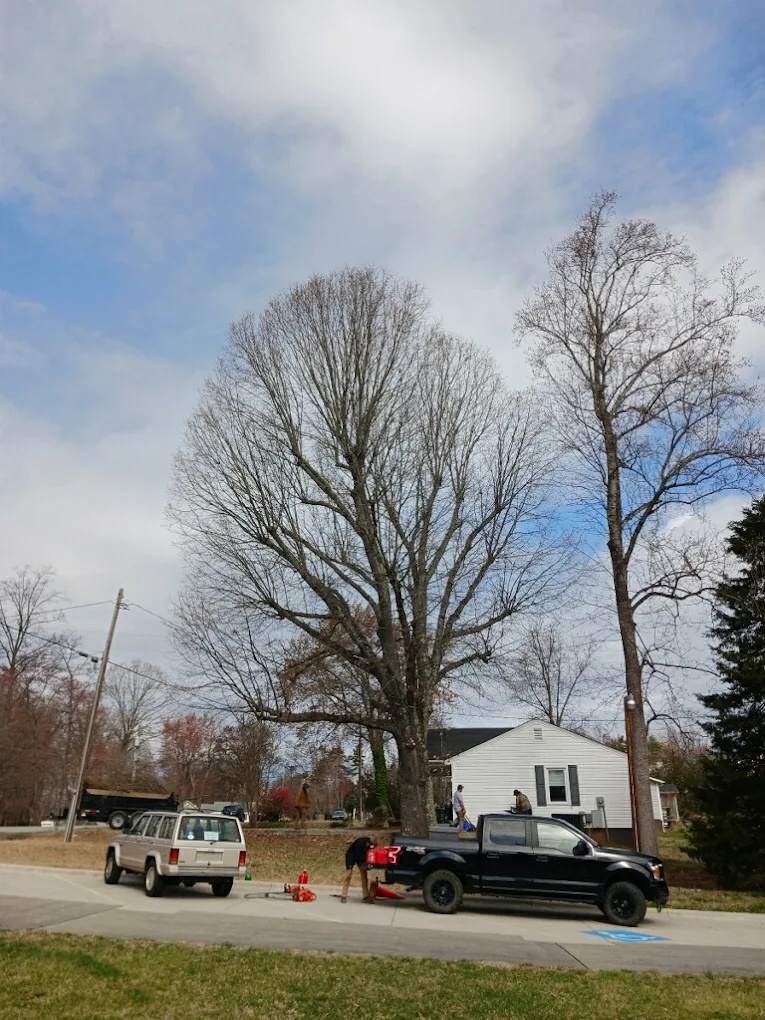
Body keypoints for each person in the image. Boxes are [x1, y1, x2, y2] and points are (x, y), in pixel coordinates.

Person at [340, 835, 376, 903]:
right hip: (351, 856)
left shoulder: (370, 846)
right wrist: (364, 865)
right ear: (368, 841)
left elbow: (369, 855)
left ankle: (366, 896)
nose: (371, 846)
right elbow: (357, 855)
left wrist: (368, 865)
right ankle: (343, 896)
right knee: (348, 875)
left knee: (364, 876)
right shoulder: (360, 842)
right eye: (371, 844)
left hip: (361, 858)